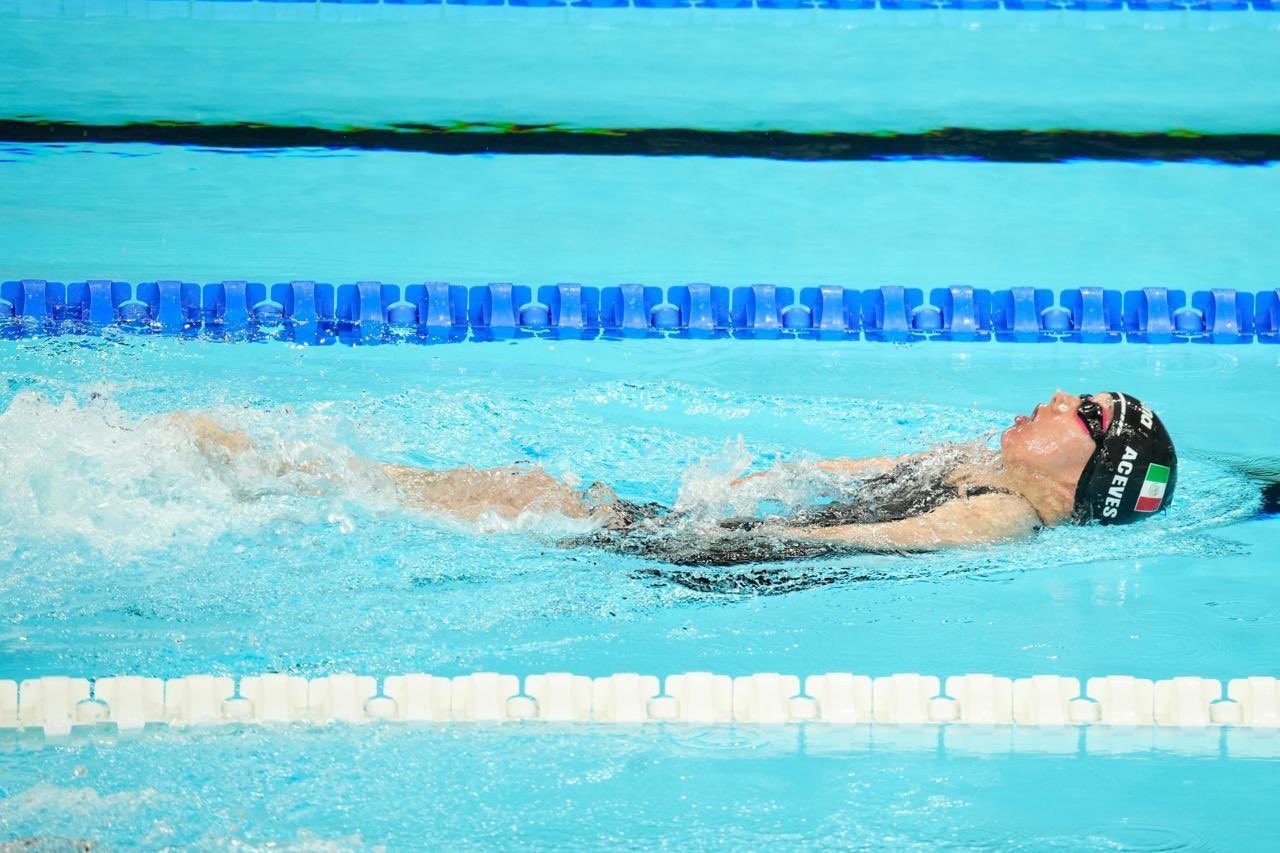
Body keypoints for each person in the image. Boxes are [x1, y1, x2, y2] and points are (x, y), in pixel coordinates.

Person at [179, 390, 1179, 574]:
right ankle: (294, 479)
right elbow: (829, 483)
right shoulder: (970, 463)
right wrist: (754, 489)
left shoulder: (999, 520)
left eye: (1083, 414)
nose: (1055, 397)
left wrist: (717, 533)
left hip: (730, 564)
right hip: (728, 533)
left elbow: (858, 546)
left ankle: (291, 482)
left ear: (1090, 470)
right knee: (534, 490)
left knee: (542, 504)